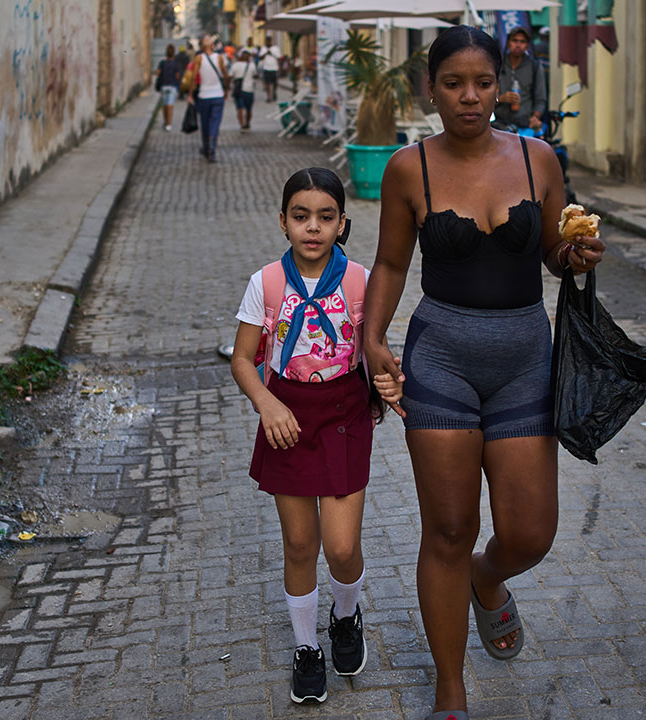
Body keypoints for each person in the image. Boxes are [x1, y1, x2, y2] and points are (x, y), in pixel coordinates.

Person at [363, 26, 605, 720]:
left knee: (530, 532)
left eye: (482, 82)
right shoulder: (410, 169)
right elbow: (389, 264)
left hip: (526, 355)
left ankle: (487, 579)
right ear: (430, 88)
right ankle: (449, 689)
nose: (470, 97)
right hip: (442, 354)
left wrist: (575, 257)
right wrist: (370, 337)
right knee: (446, 527)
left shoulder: (539, 160)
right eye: (453, 83)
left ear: (502, 84)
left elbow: (558, 250)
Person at [230, 167, 391, 705]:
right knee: (300, 543)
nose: (313, 228)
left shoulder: (362, 281)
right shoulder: (266, 283)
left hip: (344, 414)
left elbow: (375, 347)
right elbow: (243, 359)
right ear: (283, 222)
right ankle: (306, 648)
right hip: (287, 418)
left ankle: (346, 617)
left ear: (342, 223)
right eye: (301, 217)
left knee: (342, 547)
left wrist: (390, 382)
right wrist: (266, 402)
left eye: (325, 217)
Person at [493, 27, 546, 131]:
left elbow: (540, 99)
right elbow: (486, 95)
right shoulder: (497, 65)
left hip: (524, 125)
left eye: (522, 42)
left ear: (527, 46)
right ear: (508, 43)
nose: (518, 45)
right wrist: (501, 98)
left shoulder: (534, 67)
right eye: (515, 40)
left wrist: (535, 117)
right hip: (498, 124)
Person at [191, 35, 229, 162]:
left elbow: (193, 77)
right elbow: (225, 75)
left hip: (204, 96)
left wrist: (190, 94)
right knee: (215, 124)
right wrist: (226, 90)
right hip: (218, 95)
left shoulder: (199, 58)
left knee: (205, 124)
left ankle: (206, 147)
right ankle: (212, 147)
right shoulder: (219, 58)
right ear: (212, 46)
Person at [156, 44, 183, 132]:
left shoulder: (162, 63)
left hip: (164, 85)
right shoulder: (175, 64)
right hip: (172, 86)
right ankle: (168, 124)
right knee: (170, 106)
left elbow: (158, 73)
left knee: (164, 105)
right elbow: (178, 76)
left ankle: (165, 121)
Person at [230, 48, 259, 131]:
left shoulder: (235, 65)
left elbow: (230, 76)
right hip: (249, 89)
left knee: (239, 108)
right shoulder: (252, 65)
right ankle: (247, 123)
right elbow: (255, 75)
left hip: (238, 90)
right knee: (249, 109)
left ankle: (242, 124)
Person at [260, 36, 283, 102]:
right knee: (267, 83)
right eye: (267, 41)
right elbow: (260, 58)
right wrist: (266, 53)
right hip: (266, 68)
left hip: (274, 68)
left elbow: (279, 58)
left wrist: (272, 53)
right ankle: (268, 97)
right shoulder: (263, 49)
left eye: (269, 40)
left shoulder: (276, 48)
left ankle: (274, 93)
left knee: (274, 83)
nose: (268, 42)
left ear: (271, 41)